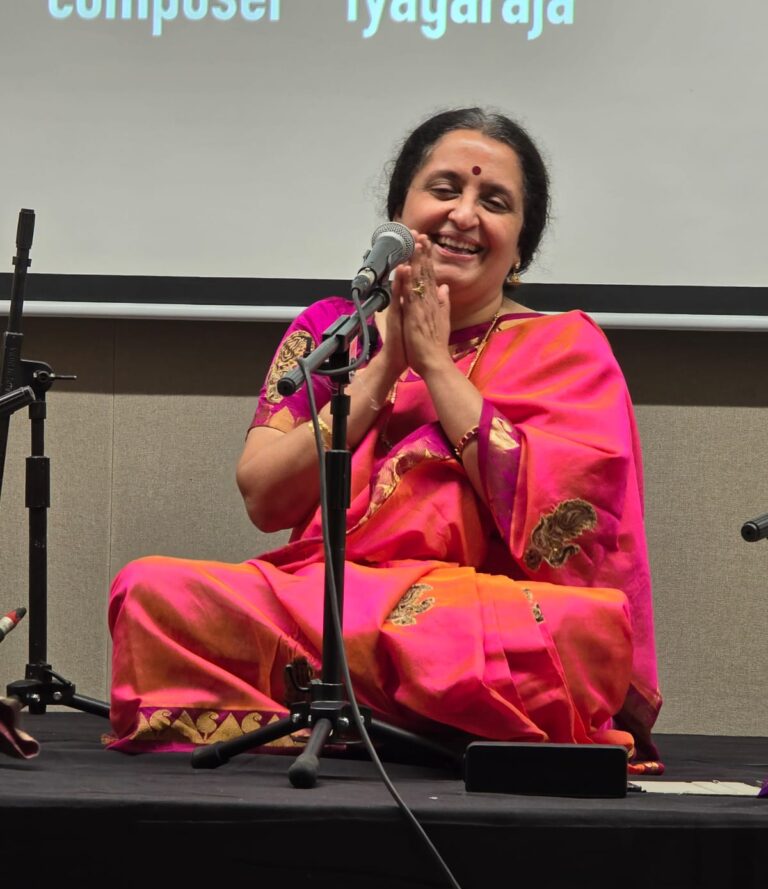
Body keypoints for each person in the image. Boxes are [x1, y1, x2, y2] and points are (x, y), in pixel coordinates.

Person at [107, 107, 663, 772]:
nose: (463, 215)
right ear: (400, 213)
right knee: (149, 591)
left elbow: (567, 538)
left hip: (469, 614)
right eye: (444, 188)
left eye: (494, 202)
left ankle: (349, 698)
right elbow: (264, 497)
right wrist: (384, 366)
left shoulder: (568, 347)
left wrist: (435, 365)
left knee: (573, 628)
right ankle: (430, 709)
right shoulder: (331, 333)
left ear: (521, 249)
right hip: (330, 604)